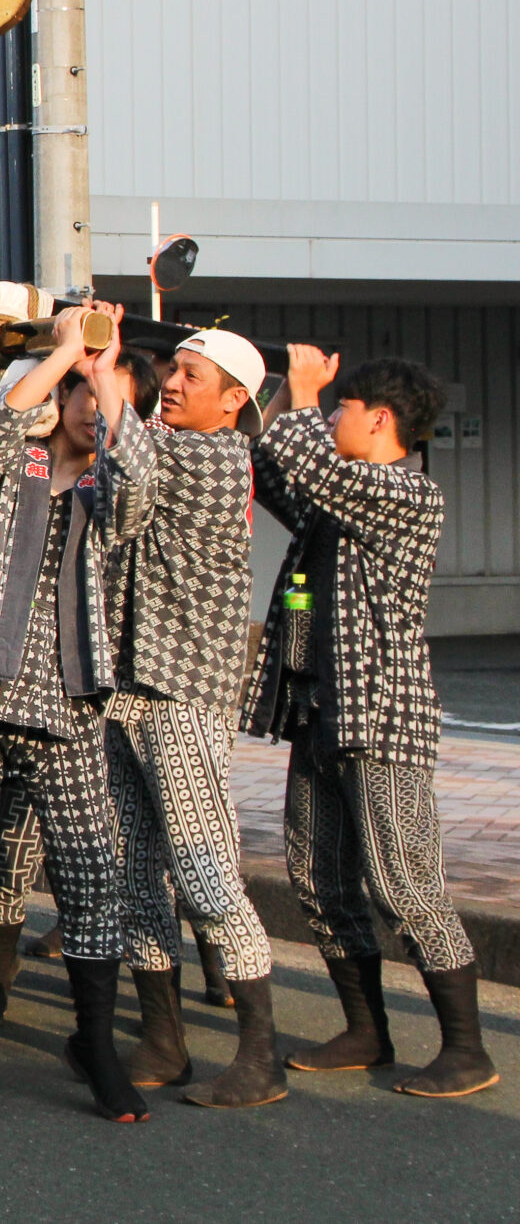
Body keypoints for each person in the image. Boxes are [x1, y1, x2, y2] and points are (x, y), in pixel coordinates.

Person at [0, 303, 149, 1125]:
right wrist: (62, 353)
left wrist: (108, 369)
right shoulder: (8, 467)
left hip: (70, 701)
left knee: (91, 877)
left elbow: (142, 488)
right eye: (74, 386)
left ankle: (98, 1049)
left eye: (97, 388)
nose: (86, 396)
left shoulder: (112, 484)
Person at [248, 345, 499, 1098]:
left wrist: (296, 388)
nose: (328, 417)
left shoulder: (406, 493)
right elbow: (279, 468)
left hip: (383, 719)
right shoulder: (342, 495)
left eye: (341, 408)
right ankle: (366, 1029)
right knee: (318, 878)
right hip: (318, 709)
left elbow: (305, 460)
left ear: (380, 419)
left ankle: (467, 1047)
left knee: (405, 884)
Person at [98, 329, 287, 1107]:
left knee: (206, 871)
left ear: (234, 398)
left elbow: (131, 457)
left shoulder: (216, 456)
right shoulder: (171, 444)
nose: (170, 383)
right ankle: (162, 1036)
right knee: (136, 872)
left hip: (182, 690)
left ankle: (261, 1055)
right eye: (172, 370)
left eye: (189, 373)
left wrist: (102, 369)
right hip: (127, 682)